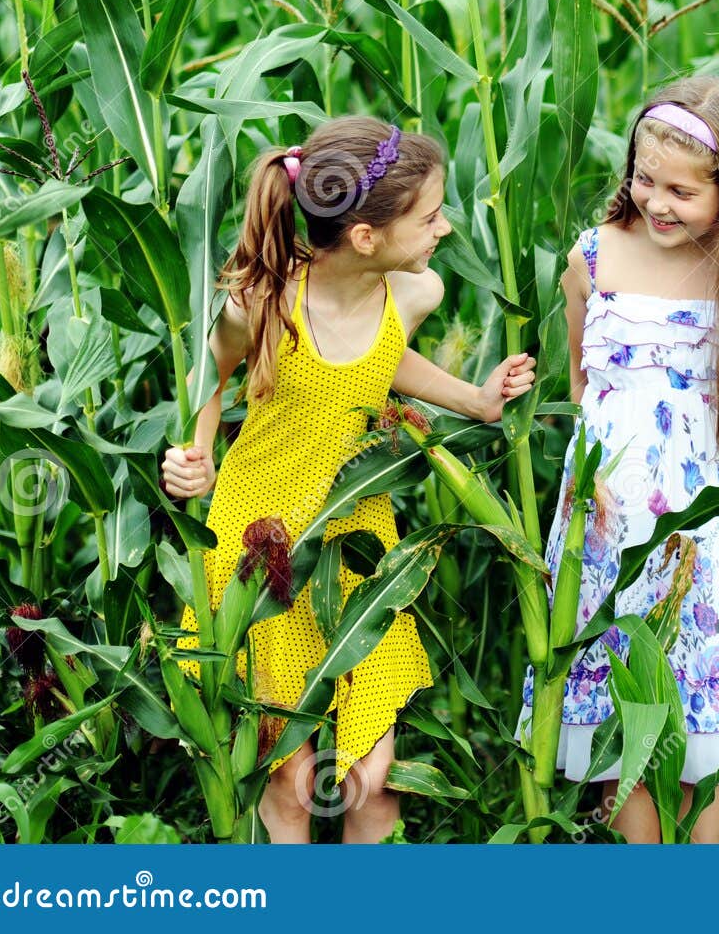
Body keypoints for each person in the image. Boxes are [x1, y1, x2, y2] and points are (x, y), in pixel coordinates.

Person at [162, 116, 536, 842]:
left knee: (374, 778)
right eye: (429, 217)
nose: (444, 229)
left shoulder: (414, 294)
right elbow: (210, 371)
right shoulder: (265, 304)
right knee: (290, 783)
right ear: (365, 236)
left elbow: (381, 359)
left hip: (357, 548)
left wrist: (476, 400)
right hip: (261, 548)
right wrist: (196, 452)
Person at [518, 76, 719, 843]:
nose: (657, 202)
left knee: (699, 729)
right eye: (645, 179)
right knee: (626, 720)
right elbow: (583, 387)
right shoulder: (592, 258)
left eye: (683, 191)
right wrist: (591, 480)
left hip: (711, 522)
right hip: (611, 519)